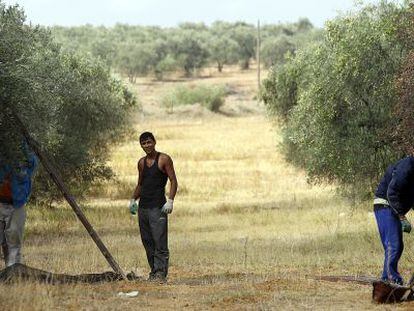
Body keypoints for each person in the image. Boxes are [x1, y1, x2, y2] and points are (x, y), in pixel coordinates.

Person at [129, 131, 178, 282]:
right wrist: (132, 200)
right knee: (147, 242)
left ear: (154, 142)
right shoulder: (141, 163)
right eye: (143, 143)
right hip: (143, 208)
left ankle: (161, 274)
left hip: (158, 207)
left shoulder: (164, 159)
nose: (147, 145)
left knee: (159, 242)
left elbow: (173, 181)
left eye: (149, 142)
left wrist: (170, 200)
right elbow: (140, 184)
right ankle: (154, 272)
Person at [374, 156, 414, 285]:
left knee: (397, 246)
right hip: (385, 205)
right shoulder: (407, 166)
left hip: (393, 208)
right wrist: (402, 217)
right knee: (394, 244)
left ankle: (387, 279)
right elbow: (392, 192)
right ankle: (391, 280)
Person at [0, 142, 38, 267]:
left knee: (14, 242)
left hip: (17, 204)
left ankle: (13, 273)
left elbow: (32, 165)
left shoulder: (25, 154)